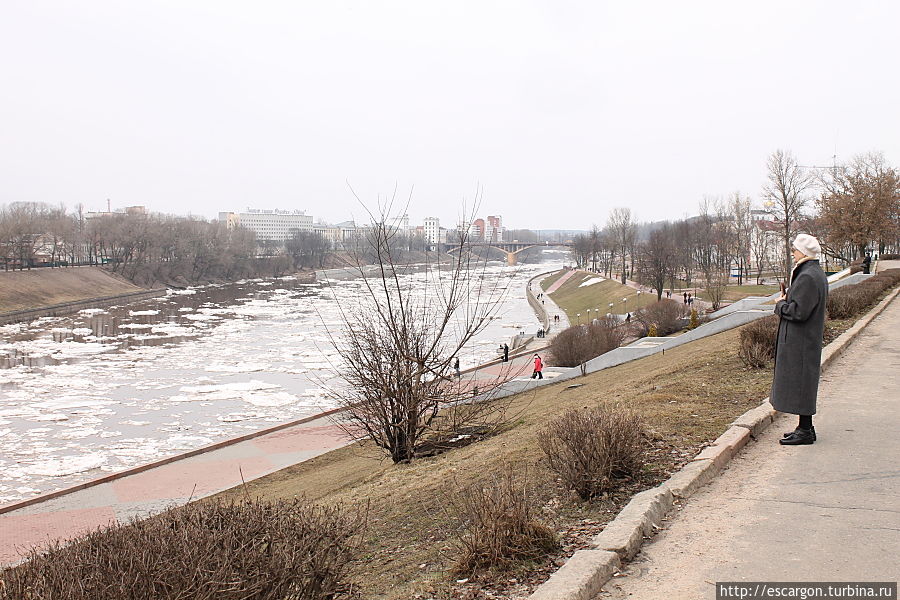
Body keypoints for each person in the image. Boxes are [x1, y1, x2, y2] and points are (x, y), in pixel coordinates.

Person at [772, 234, 828, 446]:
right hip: (804, 339)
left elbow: (799, 312)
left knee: (801, 383)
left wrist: (780, 304)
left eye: (795, 250)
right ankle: (805, 427)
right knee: (802, 383)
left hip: (801, 341)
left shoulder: (807, 276)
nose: (793, 253)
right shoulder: (812, 273)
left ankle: (805, 430)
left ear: (804, 252)